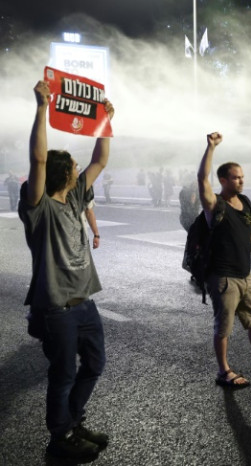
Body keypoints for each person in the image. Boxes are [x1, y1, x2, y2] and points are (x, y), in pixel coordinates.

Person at [18, 81, 114, 462]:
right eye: (73, 166)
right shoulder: (39, 207)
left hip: (85, 304)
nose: (79, 169)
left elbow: (101, 160)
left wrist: (105, 120)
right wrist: (42, 107)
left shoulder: (76, 197)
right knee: (63, 375)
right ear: (63, 173)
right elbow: (38, 160)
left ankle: (74, 421)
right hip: (56, 308)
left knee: (94, 364)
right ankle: (61, 437)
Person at [197, 131, 251, 388]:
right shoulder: (215, 204)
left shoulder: (245, 202)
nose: (241, 181)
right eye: (236, 178)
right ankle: (223, 371)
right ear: (223, 180)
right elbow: (202, 179)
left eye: (242, 177)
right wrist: (211, 148)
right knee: (224, 326)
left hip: (245, 275)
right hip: (223, 276)